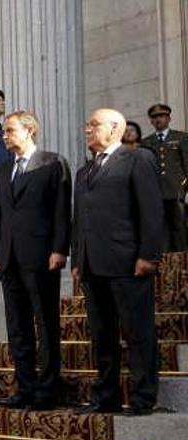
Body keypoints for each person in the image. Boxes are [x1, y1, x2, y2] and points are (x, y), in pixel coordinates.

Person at [74, 109, 163, 416]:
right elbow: (79, 220)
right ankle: (106, 396)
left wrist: (148, 255)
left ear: (115, 129)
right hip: (92, 265)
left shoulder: (137, 159)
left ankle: (142, 397)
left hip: (128, 262)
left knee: (137, 332)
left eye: (94, 125)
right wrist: (78, 258)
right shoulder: (83, 172)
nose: (87, 129)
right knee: (102, 335)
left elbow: (151, 211)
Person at [0, 111, 72, 411]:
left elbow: (61, 209)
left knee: (45, 323)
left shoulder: (52, 163)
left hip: (41, 257)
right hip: (9, 257)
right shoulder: (1, 170)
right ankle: (25, 387)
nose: (5, 136)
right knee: (17, 326)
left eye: (10, 131)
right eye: (4, 132)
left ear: (29, 130)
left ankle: (48, 389)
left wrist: (60, 248)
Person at [141, 103, 188, 252]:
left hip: (177, 193)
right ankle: (164, 268)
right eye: (154, 117)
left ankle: (182, 267)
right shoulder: (146, 142)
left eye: (161, 116)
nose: (158, 120)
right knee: (161, 233)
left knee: (180, 231)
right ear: (151, 121)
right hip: (156, 194)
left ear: (169, 118)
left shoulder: (181, 137)